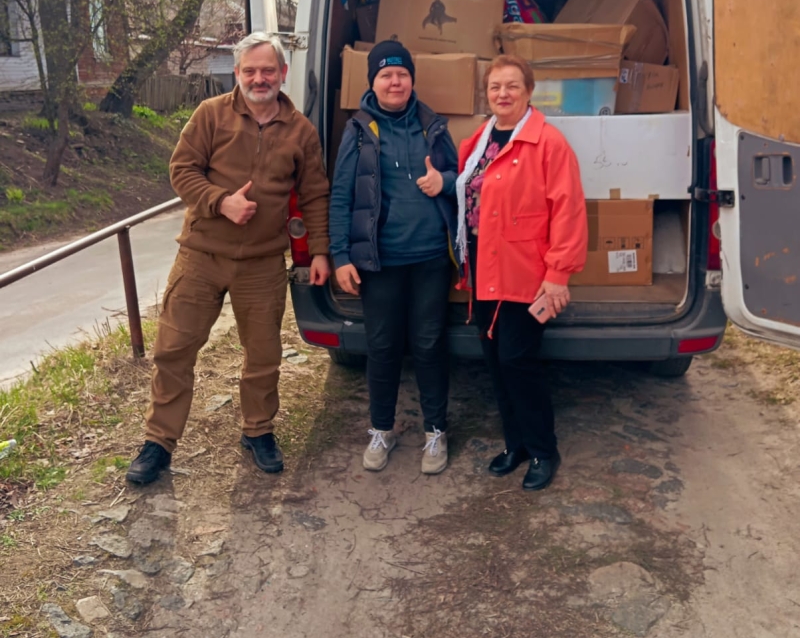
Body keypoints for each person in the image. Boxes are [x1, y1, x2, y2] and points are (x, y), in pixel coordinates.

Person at [126, 33, 331, 485]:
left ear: (283, 74)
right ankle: (159, 441)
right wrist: (221, 202)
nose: (259, 79)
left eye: (268, 70)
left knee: (264, 355)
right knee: (174, 350)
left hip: (262, 263)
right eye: (250, 71)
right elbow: (182, 170)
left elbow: (315, 194)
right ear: (237, 73)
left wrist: (319, 251)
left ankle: (258, 431)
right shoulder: (210, 114)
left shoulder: (300, 130)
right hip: (202, 255)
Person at [455, 54, 588, 491]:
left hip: (527, 273)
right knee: (495, 361)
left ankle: (544, 450)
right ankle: (517, 445)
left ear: (529, 91)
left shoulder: (548, 143)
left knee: (518, 361)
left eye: (512, 85)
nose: (503, 94)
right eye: (495, 86)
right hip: (484, 267)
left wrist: (558, 274)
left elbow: (568, 210)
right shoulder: (480, 139)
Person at [330, 40, 458, 475]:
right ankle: (382, 429)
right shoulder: (358, 130)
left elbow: (464, 177)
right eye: (385, 75)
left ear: (412, 79)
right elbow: (341, 196)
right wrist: (340, 255)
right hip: (379, 261)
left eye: (402, 74)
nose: (395, 82)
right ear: (373, 82)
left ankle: (436, 431)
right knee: (382, 347)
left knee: (429, 344)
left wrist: (444, 181)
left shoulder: (432, 126)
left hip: (430, 258)